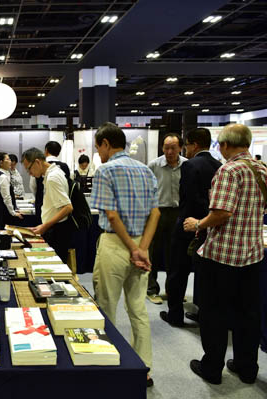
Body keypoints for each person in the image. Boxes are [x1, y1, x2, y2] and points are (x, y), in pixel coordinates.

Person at [183, 124, 266, 385]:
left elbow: (222, 213)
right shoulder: (261, 169)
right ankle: (246, 367)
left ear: (226, 145)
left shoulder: (228, 170)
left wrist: (197, 223)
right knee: (248, 314)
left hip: (222, 256)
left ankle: (212, 368)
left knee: (214, 314)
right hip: (253, 254)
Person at [89, 122, 160, 387]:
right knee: (138, 308)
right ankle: (144, 369)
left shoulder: (105, 171)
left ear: (106, 143)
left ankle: (108, 365)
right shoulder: (146, 170)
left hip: (116, 245)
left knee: (106, 306)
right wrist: (142, 249)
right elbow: (156, 213)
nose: (99, 153)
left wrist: (132, 248)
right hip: (142, 244)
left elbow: (111, 215)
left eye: (99, 148)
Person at [160, 128, 221, 327]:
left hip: (188, 224)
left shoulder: (190, 165)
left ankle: (175, 315)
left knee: (178, 271)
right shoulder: (219, 165)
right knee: (205, 274)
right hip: (211, 225)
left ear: (193, 144)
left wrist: (186, 221)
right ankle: (202, 312)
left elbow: (186, 197)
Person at [146, 134, 186, 304]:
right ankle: (151, 289)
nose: (169, 151)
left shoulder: (187, 165)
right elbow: (146, 191)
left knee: (175, 254)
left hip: (178, 212)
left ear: (180, 148)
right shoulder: (154, 165)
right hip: (157, 212)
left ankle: (173, 291)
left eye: (173, 148)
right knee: (153, 252)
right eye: (166, 147)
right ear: (162, 148)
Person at [21, 147, 74, 264]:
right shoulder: (53, 173)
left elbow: (68, 207)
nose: (30, 173)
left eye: (29, 169)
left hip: (57, 231)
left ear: (37, 162)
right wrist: (43, 225)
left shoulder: (52, 177)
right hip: (55, 228)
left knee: (55, 268)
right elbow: (54, 208)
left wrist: (45, 226)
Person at [30, 141, 70, 219]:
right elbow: (67, 186)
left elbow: (33, 186)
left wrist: (38, 197)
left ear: (46, 151)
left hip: (42, 205)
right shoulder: (65, 167)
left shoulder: (39, 165)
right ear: (58, 153)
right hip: (60, 208)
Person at [0, 152, 23, 229]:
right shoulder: (2, 176)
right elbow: (6, 197)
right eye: (8, 159)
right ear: (1, 163)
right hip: (3, 213)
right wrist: (13, 212)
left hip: (3, 212)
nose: (10, 162)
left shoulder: (4, 174)